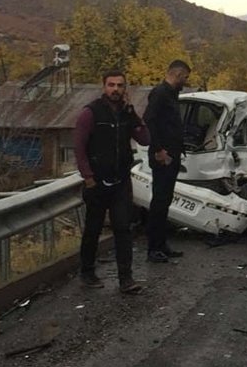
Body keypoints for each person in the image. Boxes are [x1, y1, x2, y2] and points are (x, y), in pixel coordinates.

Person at [74, 70, 149, 294]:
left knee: (123, 228)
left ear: (125, 89)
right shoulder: (90, 113)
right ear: (103, 87)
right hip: (96, 182)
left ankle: (126, 279)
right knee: (93, 229)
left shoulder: (126, 113)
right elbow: (79, 147)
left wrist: (134, 115)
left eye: (120, 85)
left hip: (120, 181)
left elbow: (145, 138)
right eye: (111, 85)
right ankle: (87, 272)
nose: (115, 89)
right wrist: (88, 177)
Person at [142, 59, 190, 263]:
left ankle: (162, 244)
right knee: (159, 202)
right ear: (177, 74)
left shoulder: (171, 94)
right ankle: (153, 248)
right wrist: (158, 149)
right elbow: (149, 120)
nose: (186, 82)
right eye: (185, 78)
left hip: (172, 155)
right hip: (163, 156)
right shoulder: (160, 93)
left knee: (165, 201)